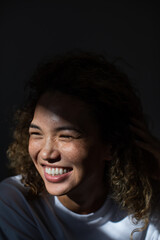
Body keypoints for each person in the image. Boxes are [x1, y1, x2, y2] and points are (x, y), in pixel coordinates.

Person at [0, 51, 160, 240]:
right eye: (36, 134)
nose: (46, 153)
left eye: (66, 136)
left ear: (111, 145)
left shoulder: (148, 204)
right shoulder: (14, 201)